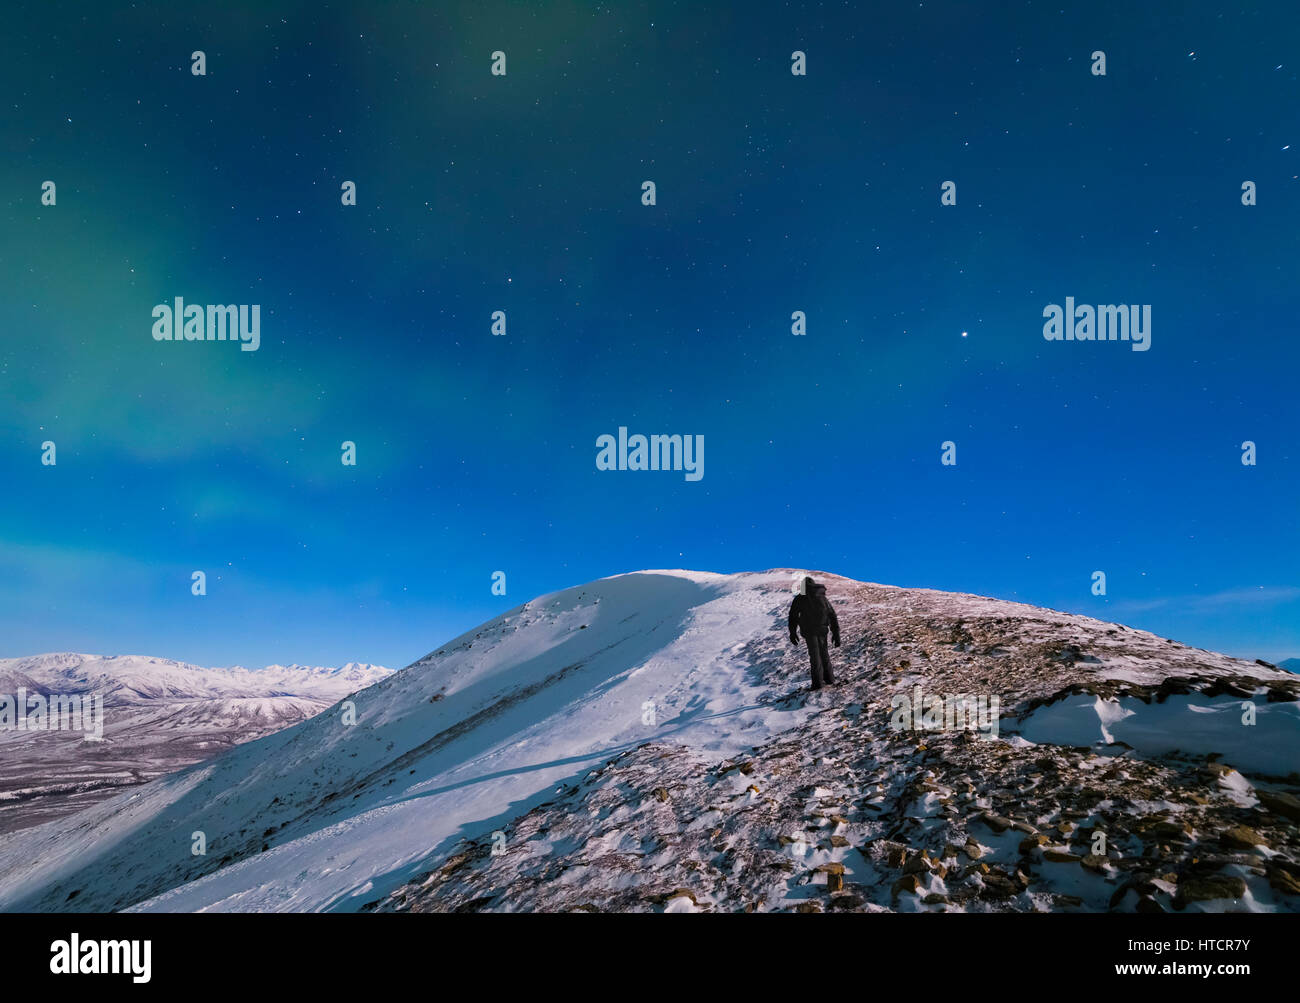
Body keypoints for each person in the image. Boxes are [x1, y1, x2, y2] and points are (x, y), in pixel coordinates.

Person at [788, 576, 841, 690]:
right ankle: (829, 679)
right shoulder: (822, 597)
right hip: (822, 629)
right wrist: (836, 634)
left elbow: (793, 616)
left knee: (815, 656)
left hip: (809, 631)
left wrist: (793, 633)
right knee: (824, 654)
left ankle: (817, 684)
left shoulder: (800, 598)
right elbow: (832, 615)